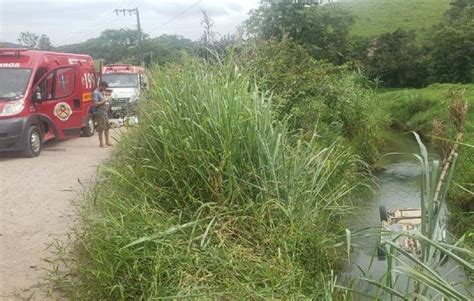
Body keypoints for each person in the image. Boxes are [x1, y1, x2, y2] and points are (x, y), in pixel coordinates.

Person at [93, 80, 113, 148]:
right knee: (101, 128)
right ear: (101, 86)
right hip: (99, 112)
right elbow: (95, 104)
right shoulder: (96, 93)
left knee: (107, 127)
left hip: (105, 112)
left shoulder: (101, 92)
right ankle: (101, 143)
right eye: (104, 88)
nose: (104, 89)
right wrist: (103, 101)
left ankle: (107, 141)